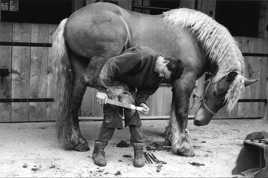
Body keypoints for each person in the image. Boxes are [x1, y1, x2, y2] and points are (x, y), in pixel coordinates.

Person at [93, 46, 184, 167]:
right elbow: (111, 65)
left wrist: (142, 103)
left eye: (164, 76)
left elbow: (144, 93)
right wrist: (102, 90)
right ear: (165, 62)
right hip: (113, 82)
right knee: (113, 113)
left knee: (132, 113)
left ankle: (139, 151)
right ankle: (98, 151)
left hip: (128, 89)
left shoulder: (158, 77)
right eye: (163, 72)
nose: (161, 76)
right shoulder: (141, 56)